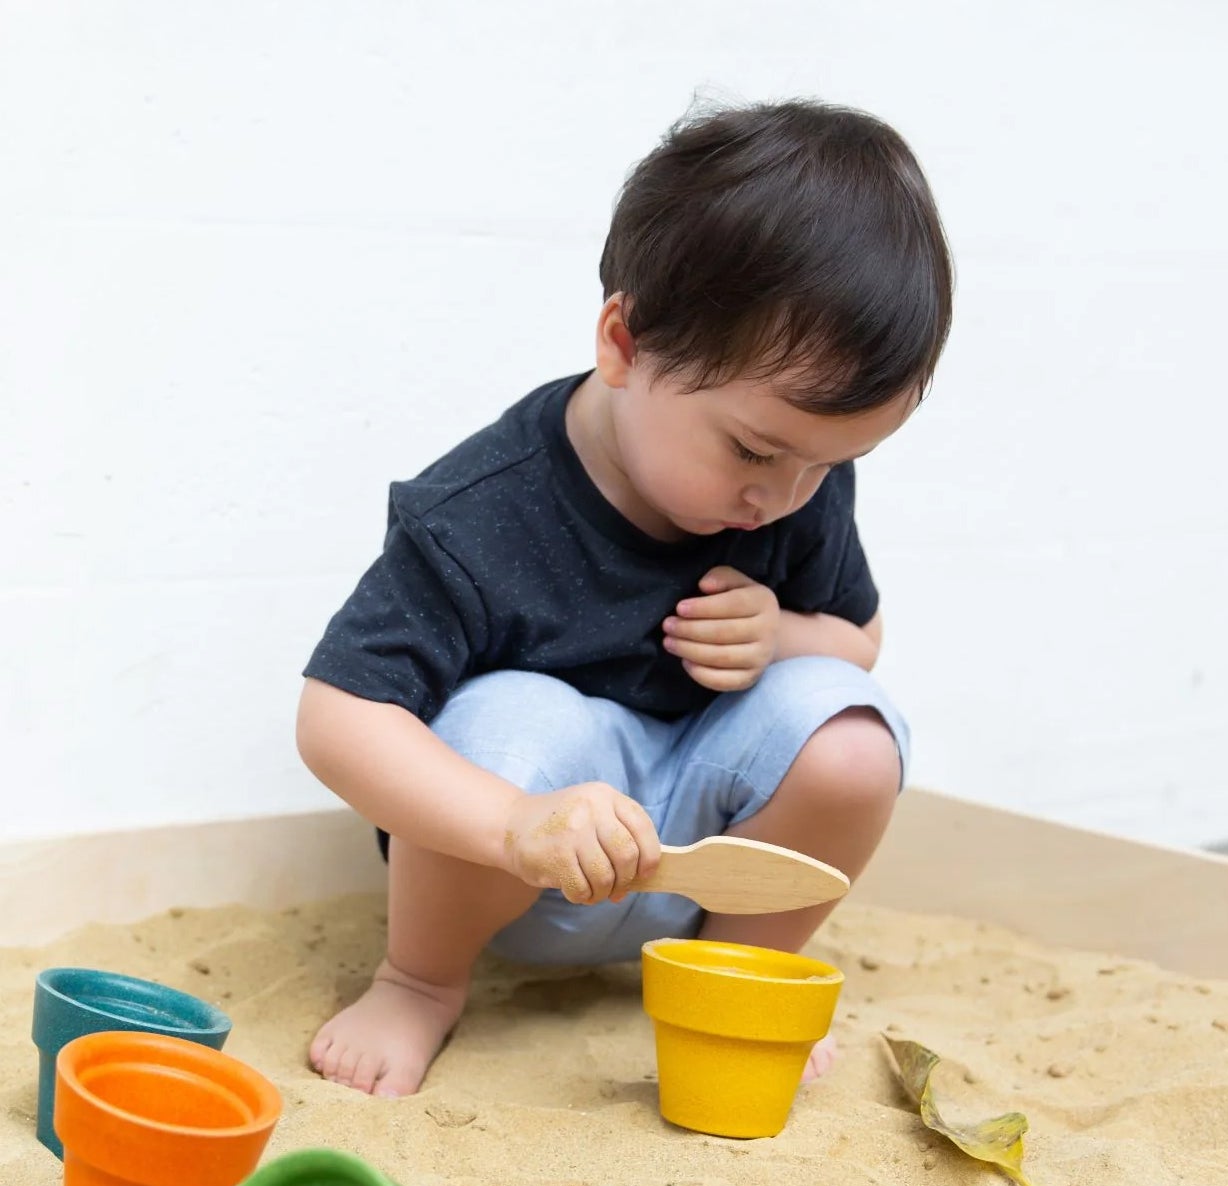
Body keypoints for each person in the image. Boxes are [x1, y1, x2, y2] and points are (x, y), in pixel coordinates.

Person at [297, 98, 954, 1097]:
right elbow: (334, 716)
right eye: (753, 450)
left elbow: (857, 641)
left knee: (857, 737)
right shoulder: (483, 512)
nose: (780, 497)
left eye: (832, 464)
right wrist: (516, 822)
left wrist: (782, 636)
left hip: (699, 854)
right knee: (510, 716)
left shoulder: (796, 473)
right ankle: (418, 984)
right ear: (624, 342)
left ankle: (739, 972)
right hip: (523, 869)